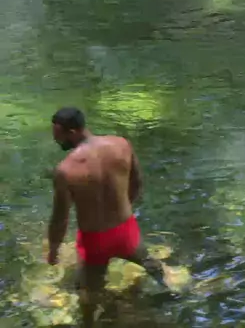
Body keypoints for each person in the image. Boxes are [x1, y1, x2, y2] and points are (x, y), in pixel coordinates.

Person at [47, 107, 173, 326]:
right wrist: (123, 208)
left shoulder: (65, 170)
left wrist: (53, 250)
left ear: (73, 132)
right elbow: (137, 183)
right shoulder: (121, 144)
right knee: (148, 261)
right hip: (125, 229)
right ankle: (172, 293)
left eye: (59, 136)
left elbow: (60, 218)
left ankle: (88, 323)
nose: (56, 141)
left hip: (94, 240)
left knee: (86, 291)